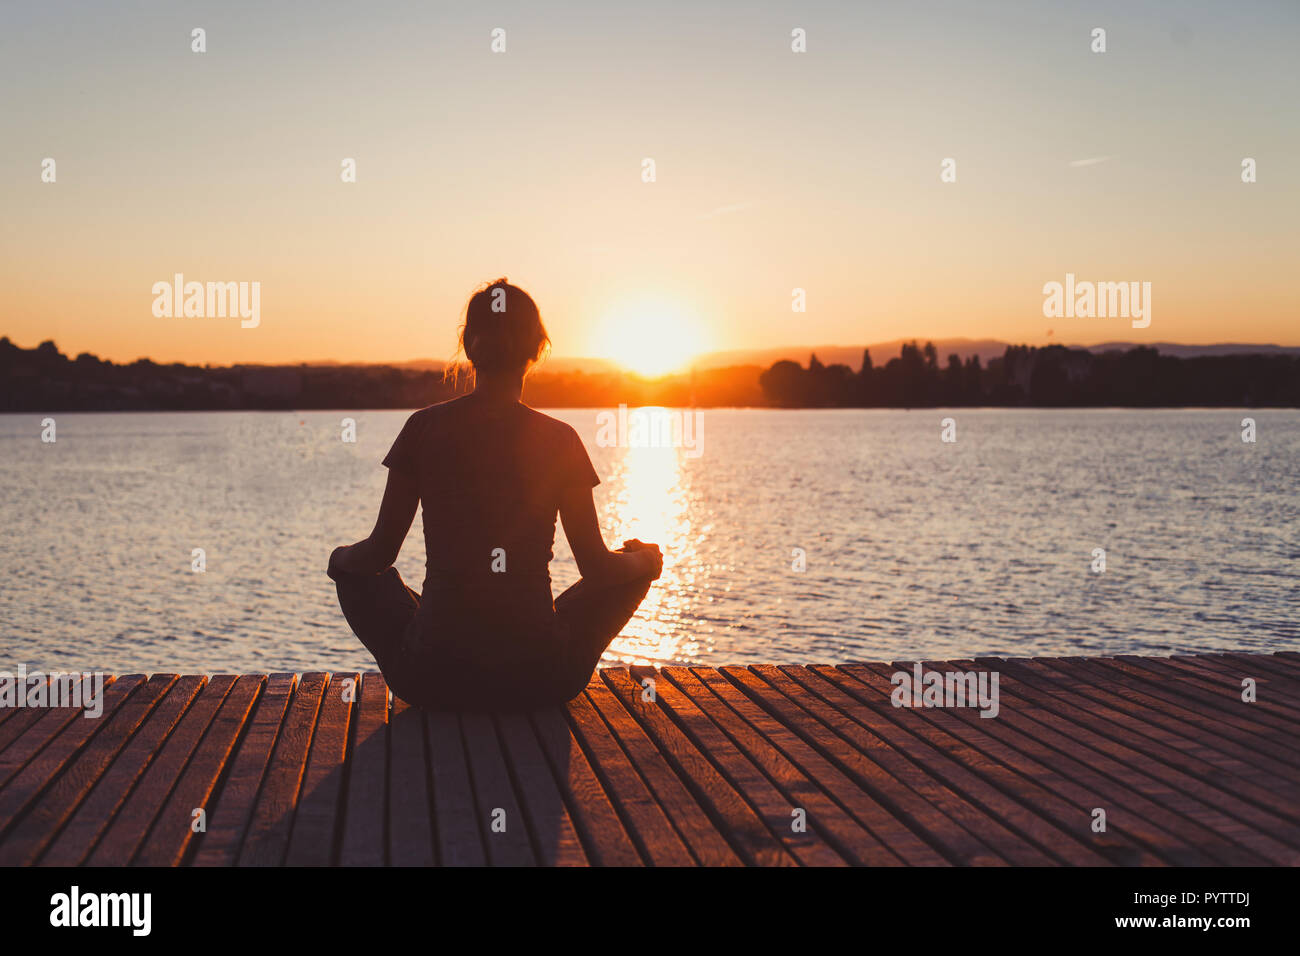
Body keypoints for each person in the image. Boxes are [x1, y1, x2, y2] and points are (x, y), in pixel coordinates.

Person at [327, 279, 662, 710]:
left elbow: (378, 556)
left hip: (431, 676)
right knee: (630, 568)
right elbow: (597, 568)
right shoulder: (560, 440)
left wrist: (338, 559)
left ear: (468, 345)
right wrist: (646, 560)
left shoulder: (423, 429)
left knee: (358, 575)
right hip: (540, 678)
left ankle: (440, 630)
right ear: (538, 348)